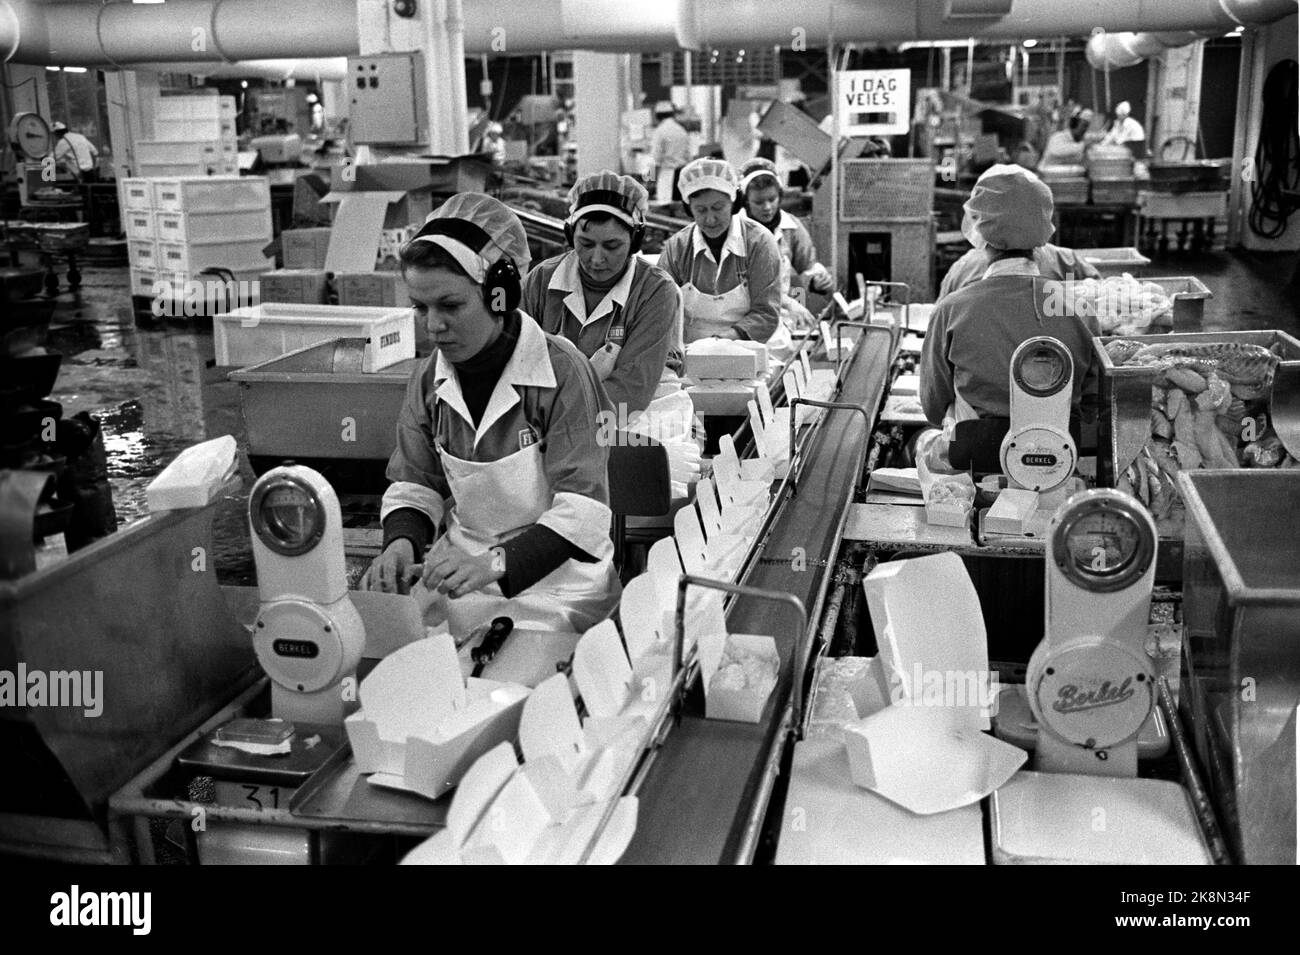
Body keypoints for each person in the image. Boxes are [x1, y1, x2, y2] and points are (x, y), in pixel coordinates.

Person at [361, 193, 620, 636]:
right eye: (420, 307)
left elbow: (584, 510)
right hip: (459, 578)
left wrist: (496, 564)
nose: (432, 325)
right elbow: (413, 483)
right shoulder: (429, 380)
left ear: (500, 295)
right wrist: (401, 542)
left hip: (558, 588)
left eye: (450, 305)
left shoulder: (562, 374)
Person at [917, 165, 1101, 473]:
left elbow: (934, 407)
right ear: (1042, 227)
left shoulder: (952, 309)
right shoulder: (1078, 308)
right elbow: (1093, 401)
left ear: (981, 230)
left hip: (975, 462)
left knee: (919, 444)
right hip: (1059, 463)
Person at [521, 171, 680, 415]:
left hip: (637, 412)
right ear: (569, 236)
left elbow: (633, 386)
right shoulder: (542, 279)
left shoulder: (656, 291)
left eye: (612, 246)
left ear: (635, 241)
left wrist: (564, 418)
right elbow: (519, 359)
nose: (596, 259)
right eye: (585, 244)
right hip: (549, 412)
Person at [658, 157, 782, 348]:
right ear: (688, 209)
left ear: (734, 202)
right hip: (691, 352)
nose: (710, 219)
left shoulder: (759, 242)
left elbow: (766, 313)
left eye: (718, 208)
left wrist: (720, 343)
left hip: (748, 349)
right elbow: (661, 310)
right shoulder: (677, 248)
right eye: (701, 210)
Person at [937, 166, 1101, 300]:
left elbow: (939, 328)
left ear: (978, 217)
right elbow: (1105, 308)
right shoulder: (1067, 262)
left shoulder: (963, 270)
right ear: (1040, 212)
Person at [735, 157, 832, 331]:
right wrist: (789, 304)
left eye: (772, 199)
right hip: (742, 316)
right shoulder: (735, 230)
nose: (767, 207)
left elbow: (807, 264)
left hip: (782, 315)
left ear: (780, 196)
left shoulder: (790, 227)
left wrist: (818, 279)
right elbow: (747, 285)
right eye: (759, 202)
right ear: (745, 201)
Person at [650, 102, 691, 204]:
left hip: (667, 175)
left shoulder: (659, 131)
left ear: (657, 116)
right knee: (679, 206)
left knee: (665, 207)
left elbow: (655, 159)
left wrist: (651, 179)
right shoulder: (681, 130)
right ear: (672, 114)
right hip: (682, 174)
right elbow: (688, 155)